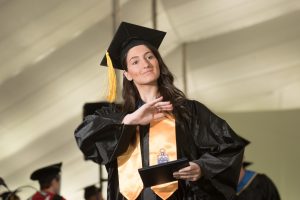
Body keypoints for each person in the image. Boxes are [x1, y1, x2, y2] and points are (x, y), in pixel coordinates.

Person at [74, 22, 247, 200]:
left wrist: (202, 167)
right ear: (127, 74)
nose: (146, 64)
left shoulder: (188, 111)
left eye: (150, 57)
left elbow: (230, 146)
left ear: (158, 62)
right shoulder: (116, 116)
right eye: (135, 61)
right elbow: (84, 136)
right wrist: (131, 120)